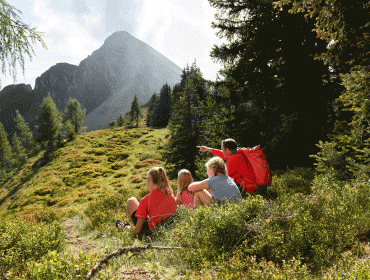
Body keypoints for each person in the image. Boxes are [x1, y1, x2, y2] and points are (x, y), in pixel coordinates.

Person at [117, 167, 177, 236]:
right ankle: (127, 227)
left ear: (148, 179)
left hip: (151, 234)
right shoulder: (171, 196)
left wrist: (131, 233)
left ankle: (125, 228)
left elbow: (138, 230)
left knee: (131, 201)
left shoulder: (146, 199)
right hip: (167, 231)